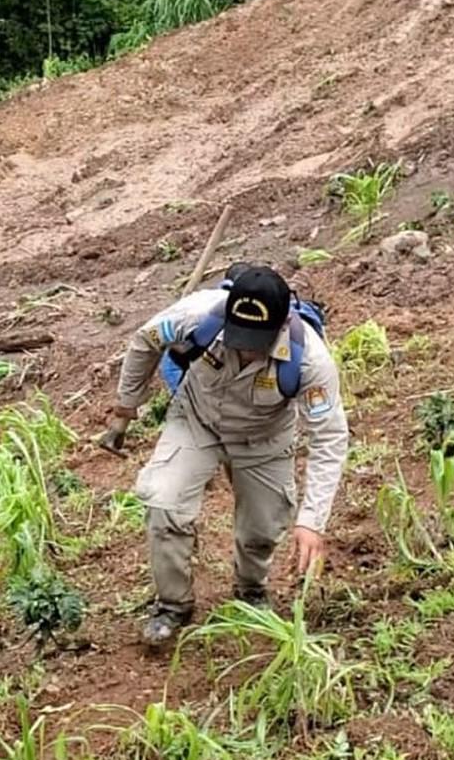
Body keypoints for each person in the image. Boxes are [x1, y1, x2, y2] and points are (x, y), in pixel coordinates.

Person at [103, 265, 348, 647]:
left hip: (263, 438)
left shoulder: (310, 360)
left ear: (282, 324)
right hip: (196, 421)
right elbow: (144, 340)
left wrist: (313, 520)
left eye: (257, 340)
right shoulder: (197, 316)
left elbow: (329, 437)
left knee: (262, 529)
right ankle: (173, 605)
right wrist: (125, 408)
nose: (246, 348)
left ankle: (251, 589)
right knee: (164, 502)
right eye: (240, 336)